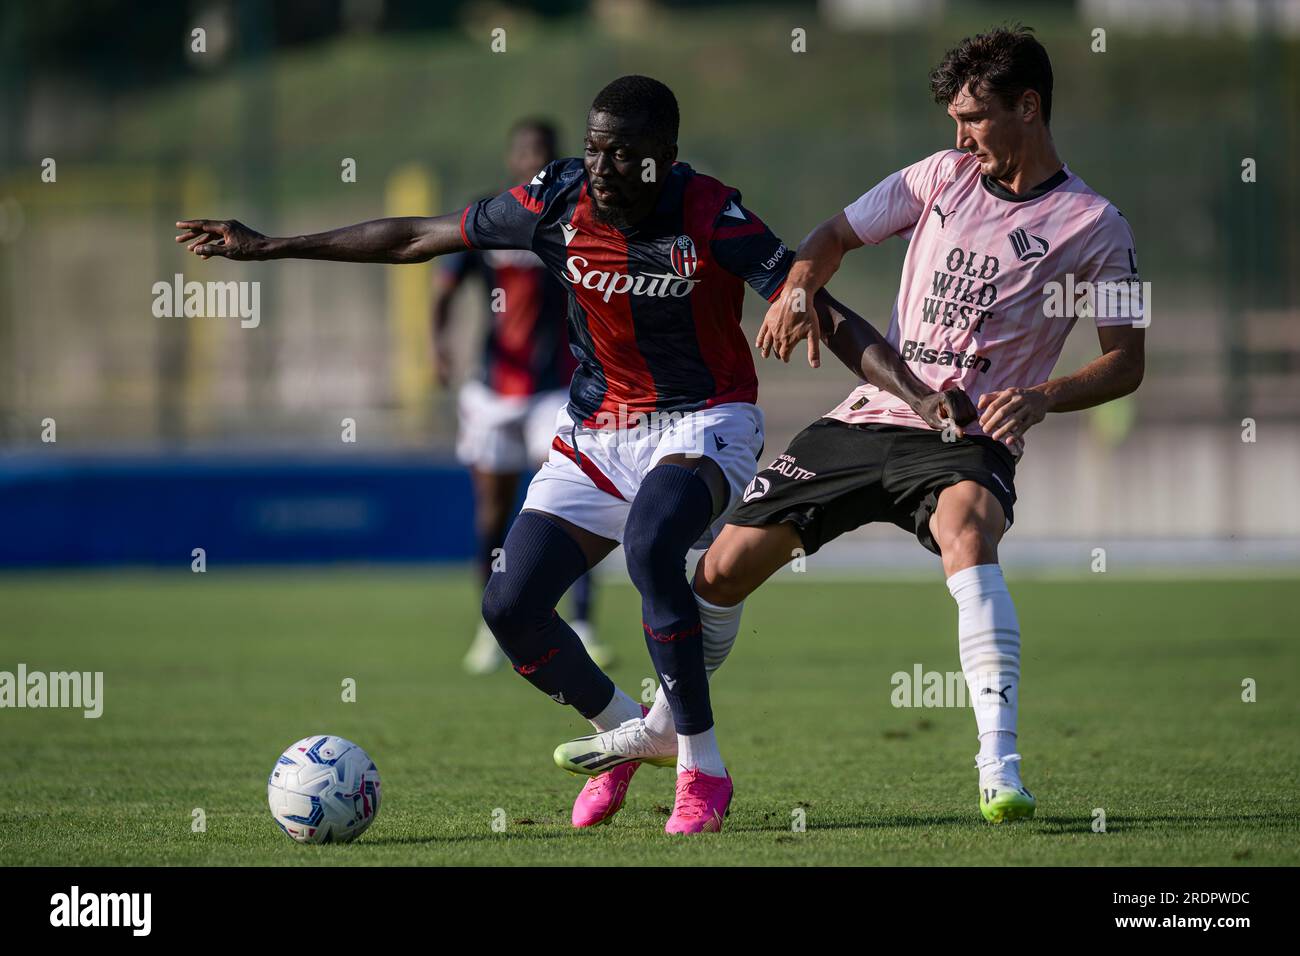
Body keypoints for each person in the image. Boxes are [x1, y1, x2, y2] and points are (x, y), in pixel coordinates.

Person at [175, 74, 971, 833]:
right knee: (508, 607)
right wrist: (268, 246)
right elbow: (421, 235)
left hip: (706, 423)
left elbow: (825, 315)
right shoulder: (555, 199)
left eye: (622, 152)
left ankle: (703, 768)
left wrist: (914, 391)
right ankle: (627, 732)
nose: (603, 166)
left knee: (654, 544)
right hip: (594, 433)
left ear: (663, 152)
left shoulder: (711, 213)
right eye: (595, 148)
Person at [562, 27, 1145, 825]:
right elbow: (831, 238)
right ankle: (662, 729)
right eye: (953, 118)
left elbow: (1127, 362)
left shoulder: (1098, 225)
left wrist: (1041, 396)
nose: (960, 135)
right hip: (871, 414)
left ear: (1030, 106)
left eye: (974, 118)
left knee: (969, 531)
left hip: (963, 436)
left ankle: (998, 767)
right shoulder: (939, 176)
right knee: (720, 572)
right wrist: (799, 287)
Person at [431, 118, 610, 675]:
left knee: (568, 504)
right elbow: (445, 283)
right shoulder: (494, 216)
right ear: (511, 157)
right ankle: (493, 629)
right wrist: (437, 342)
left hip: (556, 388)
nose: (532, 159)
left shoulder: (570, 215)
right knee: (491, 513)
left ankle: (581, 622)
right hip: (491, 391)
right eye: (523, 150)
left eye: (542, 151)